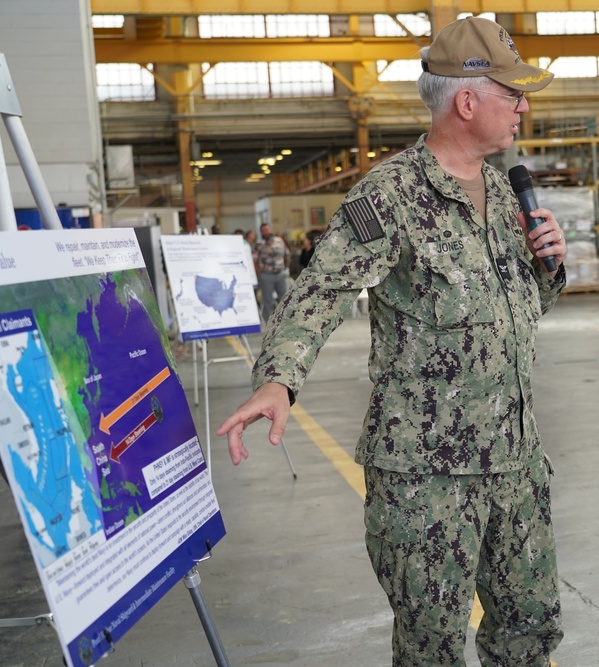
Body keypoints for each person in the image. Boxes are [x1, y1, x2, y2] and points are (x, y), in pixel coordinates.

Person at [217, 16, 566, 667]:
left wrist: (551, 266)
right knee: (431, 647)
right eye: (511, 93)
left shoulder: (502, 187)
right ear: (467, 101)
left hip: (514, 459)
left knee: (528, 630)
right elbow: (318, 292)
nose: (523, 106)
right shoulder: (392, 196)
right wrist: (278, 378)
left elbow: (515, 313)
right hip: (428, 475)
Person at [252, 222, 290, 321]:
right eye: (264, 231)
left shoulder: (279, 241)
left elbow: (287, 255)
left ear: (271, 230)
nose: (266, 232)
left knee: (284, 298)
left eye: (267, 230)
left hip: (281, 275)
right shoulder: (258, 244)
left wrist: (285, 268)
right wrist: (259, 274)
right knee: (268, 301)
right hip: (266, 276)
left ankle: (285, 320)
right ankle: (269, 322)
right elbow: (255, 260)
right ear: (261, 232)